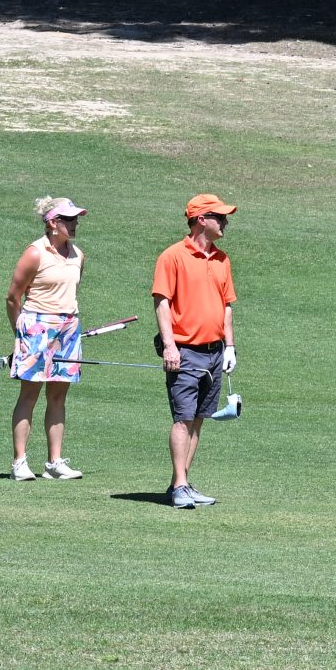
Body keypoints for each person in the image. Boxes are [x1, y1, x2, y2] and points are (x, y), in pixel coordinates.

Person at [153, 194, 238, 509]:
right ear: (201, 218)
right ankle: (179, 487)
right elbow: (162, 302)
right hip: (185, 350)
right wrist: (170, 345)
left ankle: (182, 483)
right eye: (220, 216)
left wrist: (229, 346)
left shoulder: (222, 259)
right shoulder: (173, 256)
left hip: (215, 352)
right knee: (183, 419)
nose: (225, 221)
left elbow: (226, 306)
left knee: (199, 418)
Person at [5, 196, 88, 481]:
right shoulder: (35, 253)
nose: (75, 224)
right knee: (29, 394)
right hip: (37, 327)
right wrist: (23, 333)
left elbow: (72, 293)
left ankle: (54, 462)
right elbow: (13, 297)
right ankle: (20, 462)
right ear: (53, 223)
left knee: (57, 396)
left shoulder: (78, 255)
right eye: (69, 219)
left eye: (76, 219)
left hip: (68, 328)